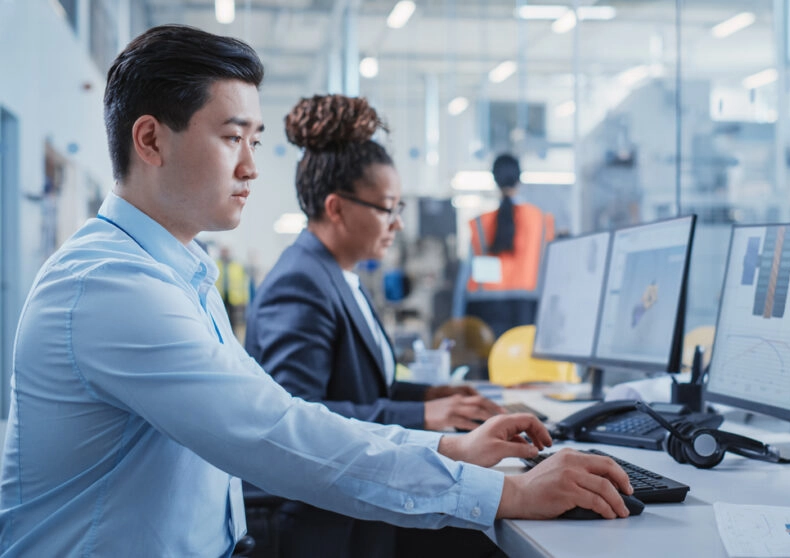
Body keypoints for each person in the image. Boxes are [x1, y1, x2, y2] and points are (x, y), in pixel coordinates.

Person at [0, 24, 632, 557]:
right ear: (150, 139)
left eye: (254, 142)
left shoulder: (177, 269)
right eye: (231, 139)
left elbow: (282, 414)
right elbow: (274, 431)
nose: (250, 167)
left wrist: (448, 444)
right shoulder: (113, 285)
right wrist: (507, 492)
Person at [243, 94, 506, 556]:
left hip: (352, 501)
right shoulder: (301, 282)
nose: (398, 224)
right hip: (312, 521)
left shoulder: (341, 275)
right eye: (388, 208)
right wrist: (426, 419)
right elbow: (303, 417)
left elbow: (362, 387)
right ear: (337, 208)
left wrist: (431, 397)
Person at [460, 154, 555, 339]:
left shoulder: (481, 222)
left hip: (486, 310)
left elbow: (466, 274)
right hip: (528, 309)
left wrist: (458, 318)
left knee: (490, 365)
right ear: (519, 178)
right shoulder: (541, 220)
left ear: (494, 180)